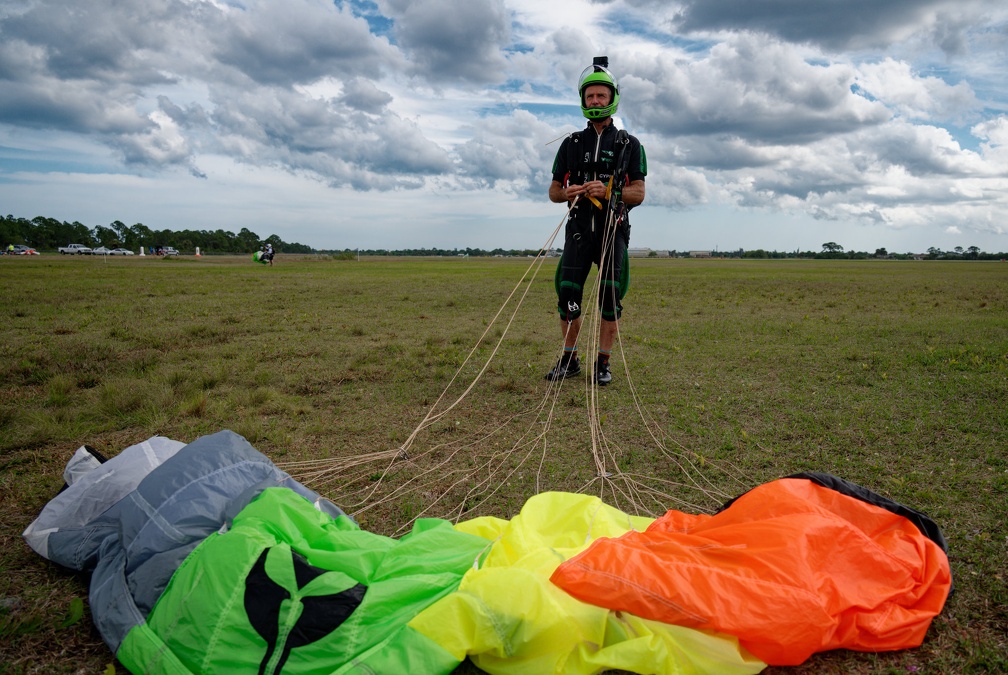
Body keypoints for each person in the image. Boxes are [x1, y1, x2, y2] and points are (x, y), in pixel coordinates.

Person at [545, 56, 647, 386]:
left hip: (611, 231)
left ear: (612, 98)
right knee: (568, 296)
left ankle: (603, 364)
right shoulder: (571, 143)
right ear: (582, 100)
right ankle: (570, 359)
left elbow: (639, 193)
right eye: (590, 96)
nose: (595, 101)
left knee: (609, 298)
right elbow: (553, 191)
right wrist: (568, 191)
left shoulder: (629, 145)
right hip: (577, 232)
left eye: (601, 95)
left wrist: (609, 191)